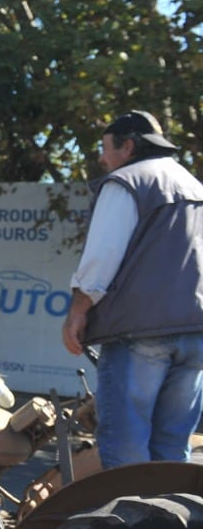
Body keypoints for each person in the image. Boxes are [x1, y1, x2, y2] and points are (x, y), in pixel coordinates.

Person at [62, 110, 203, 468]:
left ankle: (132, 523)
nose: (101, 158)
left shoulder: (126, 182)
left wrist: (78, 311)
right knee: (172, 450)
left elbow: (102, 256)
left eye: (105, 148)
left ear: (129, 146)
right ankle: (169, 524)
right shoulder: (196, 188)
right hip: (195, 337)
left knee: (126, 451)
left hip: (138, 336)